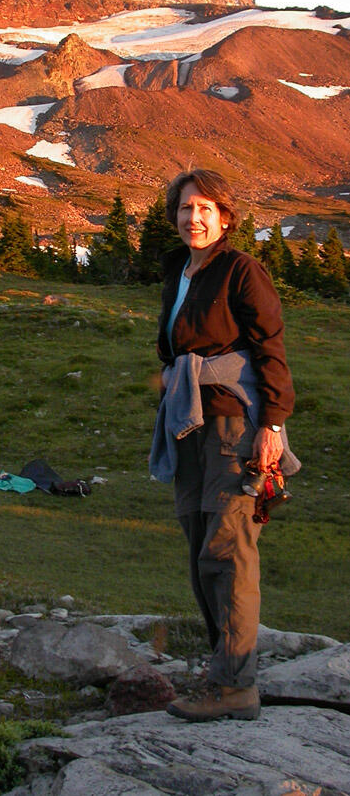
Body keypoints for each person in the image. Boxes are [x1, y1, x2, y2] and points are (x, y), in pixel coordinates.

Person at [148, 168, 300, 722]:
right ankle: (224, 670)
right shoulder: (178, 269)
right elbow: (175, 344)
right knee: (197, 544)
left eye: (206, 209)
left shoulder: (242, 270)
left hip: (237, 425)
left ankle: (236, 684)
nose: (195, 218)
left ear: (226, 217)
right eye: (187, 209)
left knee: (229, 549)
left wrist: (273, 425)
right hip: (189, 424)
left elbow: (270, 348)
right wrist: (171, 378)